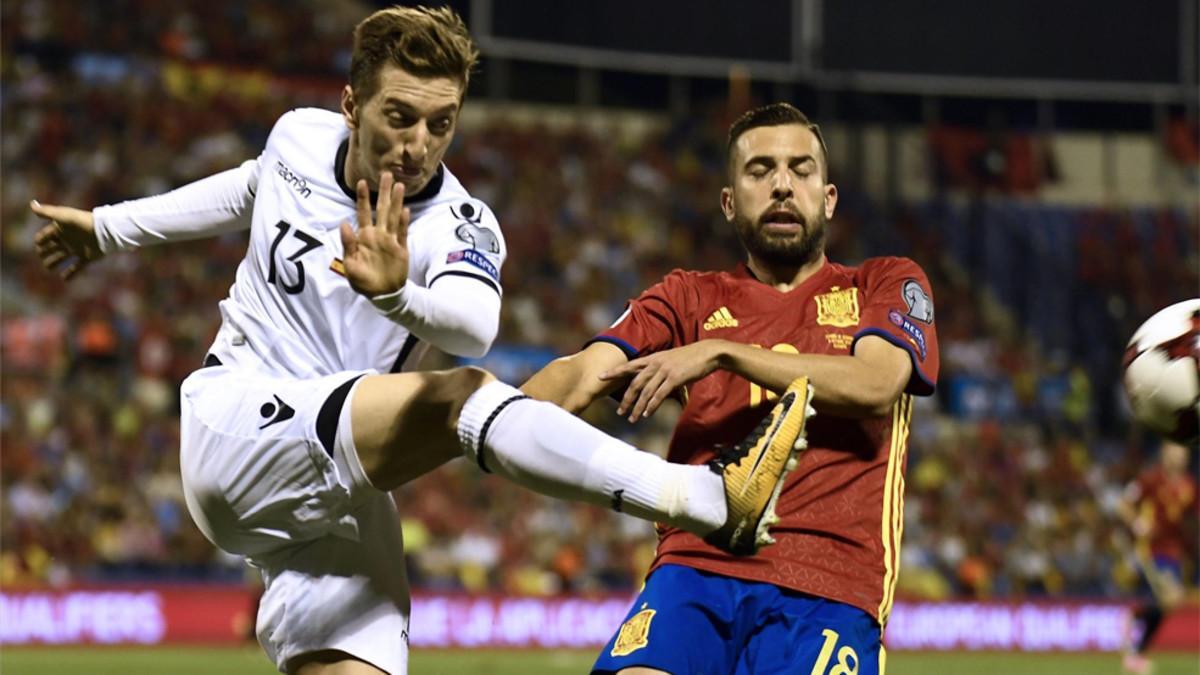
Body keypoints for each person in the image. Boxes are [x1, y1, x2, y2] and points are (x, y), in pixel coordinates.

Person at [30, 9, 809, 675]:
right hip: (235, 420)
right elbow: (246, 185)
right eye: (399, 116)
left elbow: (474, 325)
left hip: (339, 490)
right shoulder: (296, 138)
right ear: (350, 104)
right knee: (464, 401)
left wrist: (399, 292)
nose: (419, 142)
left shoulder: (460, 225)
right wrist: (106, 228)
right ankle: (704, 497)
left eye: (442, 122)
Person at [521, 102, 941, 675]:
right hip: (693, 571)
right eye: (760, 170)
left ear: (830, 197)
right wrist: (479, 419)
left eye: (801, 169)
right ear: (728, 202)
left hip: (828, 587)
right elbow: (578, 375)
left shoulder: (884, 283)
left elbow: (876, 384)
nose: (783, 186)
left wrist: (721, 353)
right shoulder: (686, 298)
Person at [1117, 440, 1197, 675]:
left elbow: (1190, 517)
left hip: (1175, 552)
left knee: (1167, 605)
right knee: (1171, 597)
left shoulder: (1189, 485)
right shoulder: (1150, 479)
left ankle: (1135, 644)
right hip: (1151, 550)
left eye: (1182, 452)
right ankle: (1133, 625)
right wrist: (1137, 523)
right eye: (1175, 451)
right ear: (1164, 454)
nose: (1180, 456)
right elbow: (1124, 504)